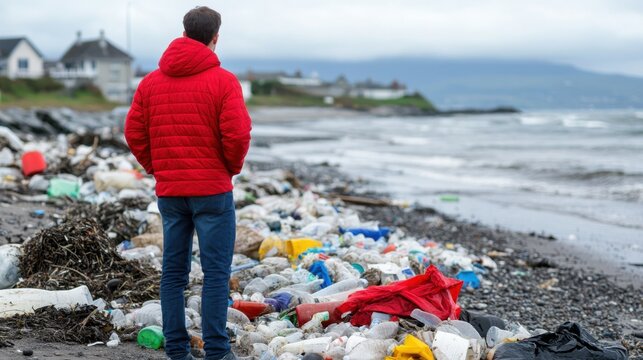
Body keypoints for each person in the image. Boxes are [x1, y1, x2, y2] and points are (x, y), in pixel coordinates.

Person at [125, 6, 251, 360]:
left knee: (173, 274)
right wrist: (230, 168)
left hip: (171, 192)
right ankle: (217, 352)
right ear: (215, 37)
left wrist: (156, 167)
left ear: (184, 32)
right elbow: (237, 134)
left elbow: (133, 132)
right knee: (215, 274)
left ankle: (177, 351)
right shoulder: (224, 81)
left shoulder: (150, 83)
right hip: (212, 192)